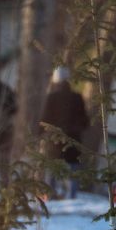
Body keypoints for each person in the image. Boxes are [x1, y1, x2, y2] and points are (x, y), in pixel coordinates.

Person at [40, 66, 89, 199]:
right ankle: (73, 197)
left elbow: (44, 120)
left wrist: (39, 134)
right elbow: (85, 121)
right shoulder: (77, 98)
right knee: (74, 169)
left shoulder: (51, 98)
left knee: (52, 169)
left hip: (54, 141)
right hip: (73, 140)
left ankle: (50, 196)